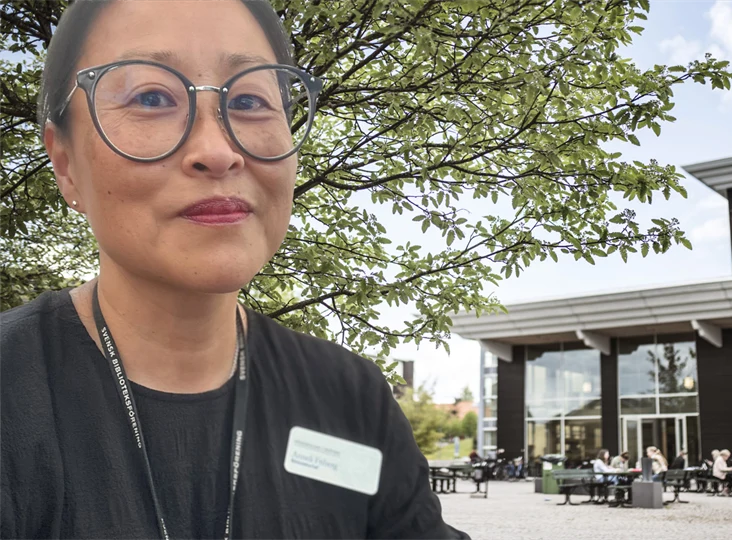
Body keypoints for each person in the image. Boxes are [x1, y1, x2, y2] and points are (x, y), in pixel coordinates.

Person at [0, 1, 468, 539]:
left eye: (249, 100)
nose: (216, 151)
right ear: (66, 165)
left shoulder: (349, 397)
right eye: (150, 98)